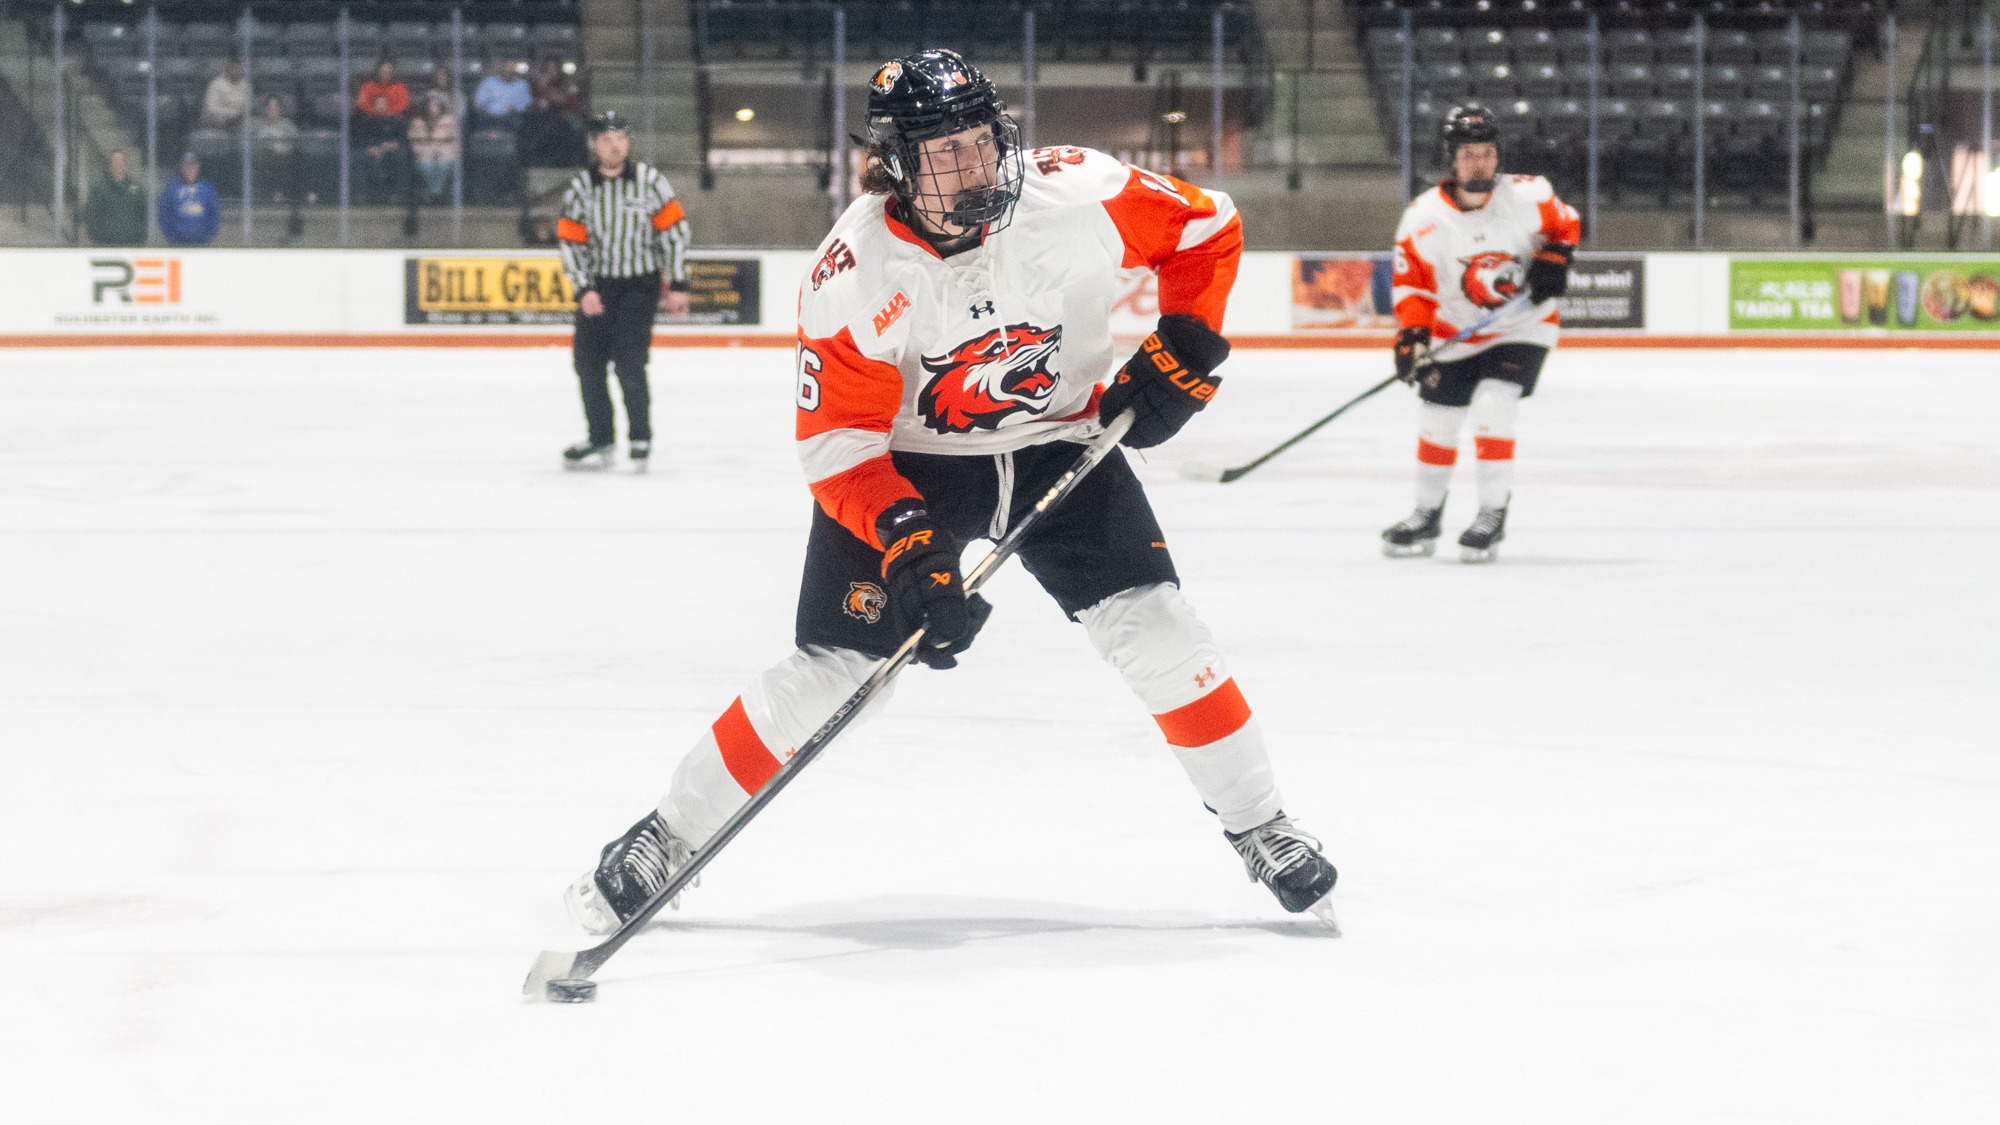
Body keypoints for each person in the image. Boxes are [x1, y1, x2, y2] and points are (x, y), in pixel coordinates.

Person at [561, 49, 1339, 937]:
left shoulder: (1075, 193)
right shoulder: (851, 271)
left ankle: (1263, 824)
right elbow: (838, 446)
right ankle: (667, 835)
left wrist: (1189, 348)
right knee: (836, 673)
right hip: (912, 462)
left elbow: (1208, 231)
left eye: (981, 143)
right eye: (945, 152)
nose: (974, 168)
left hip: (1064, 445)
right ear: (895, 161)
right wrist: (906, 542)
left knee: (1160, 630)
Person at [1383, 104, 1579, 563]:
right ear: (1451, 158)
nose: (1479, 162)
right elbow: (1413, 286)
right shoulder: (1422, 218)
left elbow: (1565, 222)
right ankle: (1427, 513)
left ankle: (1492, 513)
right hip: (1455, 333)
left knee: (1494, 406)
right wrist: (1412, 336)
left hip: (1523, 325)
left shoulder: (1530, 194)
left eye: (1487, 153)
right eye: (1469, 153)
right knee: (1438, 422)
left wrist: (1556, 256)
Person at [553, 111, 691, 471]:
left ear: (628, 142)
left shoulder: (650, 182)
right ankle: (600, 437)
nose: (615, 145)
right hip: (598, 286)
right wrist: (583, 288)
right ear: (594, 145)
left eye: (620, 138)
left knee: (630, 363)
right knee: (588, 365)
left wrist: (677, 283)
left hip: (638, 285)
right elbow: (571, 243)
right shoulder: (581, 188)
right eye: (606, 139)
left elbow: (674, 234)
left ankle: (640, 437)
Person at [84, 148, 148, 246]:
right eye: (114, 161)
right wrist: (99, 239)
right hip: (105, 248)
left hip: (131, 247)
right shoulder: (98, 190)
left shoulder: (138, 190)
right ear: (109, 165)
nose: (118, 164)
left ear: (125, 165)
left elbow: (144, 217)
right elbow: (91, 218)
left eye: (121, 161)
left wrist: (138, 238)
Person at [156, 152, 220, 246]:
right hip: (178, 244)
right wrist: (172, 236)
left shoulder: (207, 189)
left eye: (193, 166)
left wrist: (207, 236)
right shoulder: (172, 189)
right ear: (182, 168)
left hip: (202, 244)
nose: (190, 170)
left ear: (198, 167)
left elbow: (214, 215)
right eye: (187, 166)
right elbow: (164, 214)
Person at [354, 94, 408, 203]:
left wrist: (392, 145)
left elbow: (403, 139)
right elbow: (360, 140)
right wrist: (370, 148)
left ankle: (397, 194)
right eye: (378, 104)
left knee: (401, 156)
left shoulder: (396, 121)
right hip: (371, 150)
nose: (381, 106)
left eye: (383, 104)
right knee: (358, 157)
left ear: (387, 105)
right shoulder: (366, 122)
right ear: (374, 106)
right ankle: (363, 194)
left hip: (391, 150)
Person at [408, 93, 459, 200]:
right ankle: (437, 194)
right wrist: (419, 150)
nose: (433, 108)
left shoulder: (449, 120)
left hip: (445, 151)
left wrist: (453, 152)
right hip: (424, 152)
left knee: (443, 165)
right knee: (426, 166)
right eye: (431, 105)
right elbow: (413, 140)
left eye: (436, 105)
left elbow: (456, 140)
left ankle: (434, 193)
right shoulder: (417, 122)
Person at [251, 96, 299, 203]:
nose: (273, 111)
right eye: (270, 108)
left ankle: (283, 194)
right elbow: (258, 144)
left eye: (275, 108)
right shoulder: (259, 126)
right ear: (265, 110)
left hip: (286, 160)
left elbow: (296, 142)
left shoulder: (288, 125)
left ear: (280, 110)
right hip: (266, 160)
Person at [473, 56, 530, 129]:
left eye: (511, 68)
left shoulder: (522, 85)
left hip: (512, 117)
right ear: (501, 69)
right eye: (506, 68)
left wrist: (515, 109)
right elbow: (479, 102)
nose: (508, 71)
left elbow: (526, 105)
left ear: (515, 70)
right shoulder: (488, 82)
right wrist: (483, 108)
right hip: (490, 117)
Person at [199, 60, 248, 127]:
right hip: (217, 123)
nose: (236, 71)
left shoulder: (245, 85)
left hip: (240, 124)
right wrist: (233, 113)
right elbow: (211, 108)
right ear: (228, 69)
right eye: (233, 68)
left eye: (238, 68)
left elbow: (248, 107)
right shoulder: (216, 84)